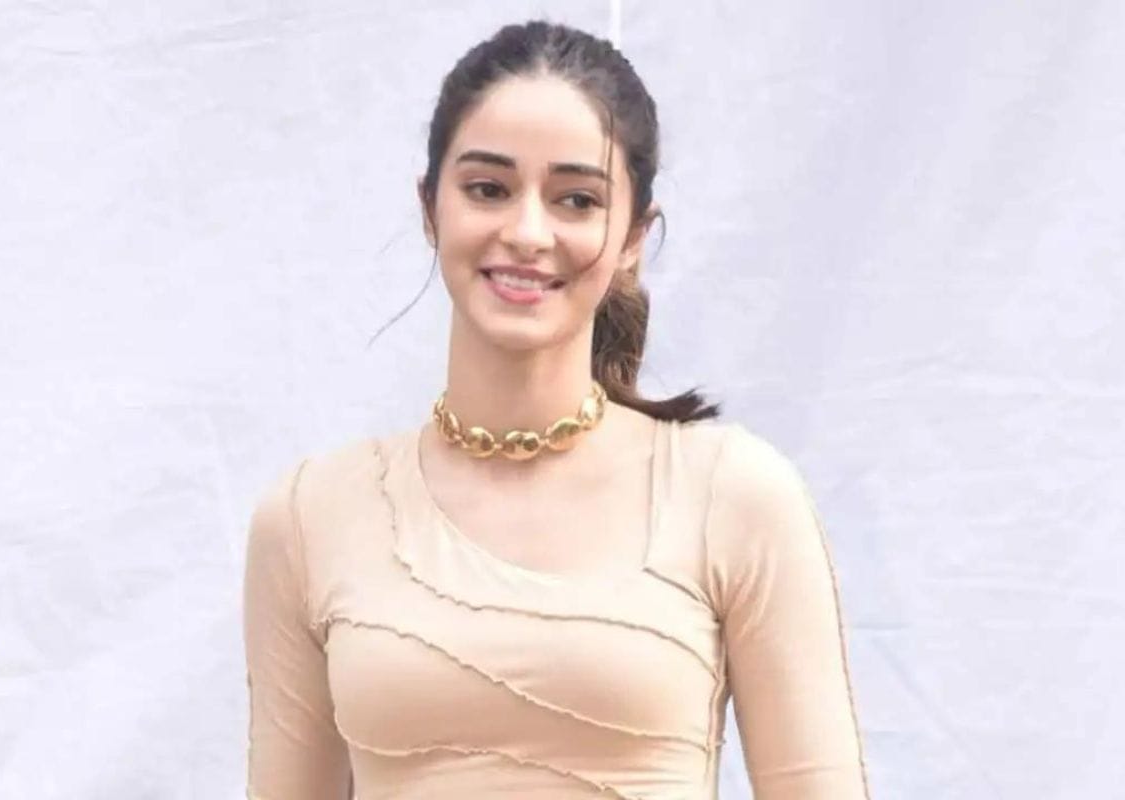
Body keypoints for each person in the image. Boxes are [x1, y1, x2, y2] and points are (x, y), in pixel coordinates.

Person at [243, 20, 869, 800]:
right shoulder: (312, 515)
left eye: (577, 199)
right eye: (488, 189)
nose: (527, 233)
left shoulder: (732, 494)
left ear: (633, 236)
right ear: (430, 207)